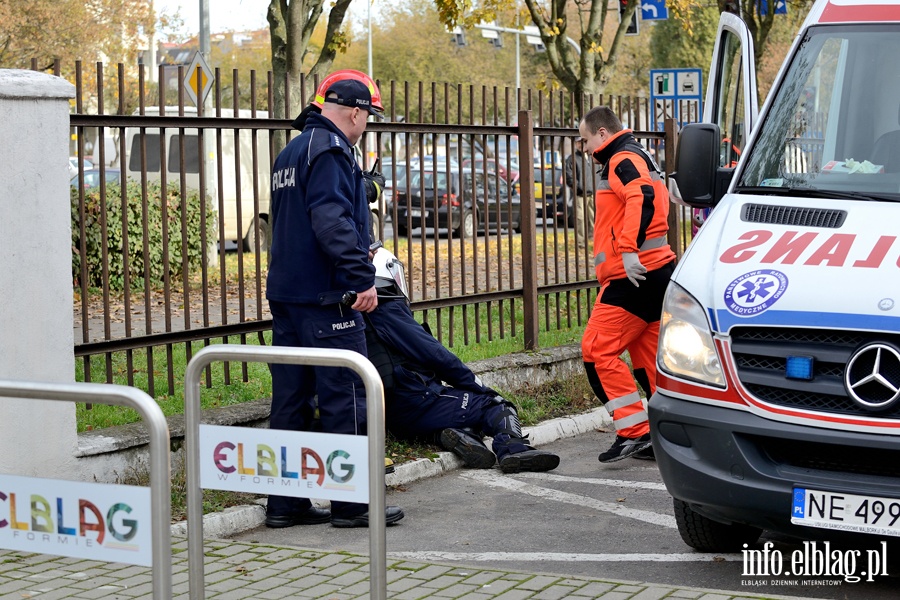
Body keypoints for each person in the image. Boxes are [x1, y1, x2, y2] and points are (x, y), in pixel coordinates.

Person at [265, 71, 404, 528]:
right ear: (355, 111)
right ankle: (353, 504)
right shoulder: (330, 150)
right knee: (347, 398)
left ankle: (284, 503)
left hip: (289, 296)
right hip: (328, 300)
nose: (368, 124)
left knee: (291, 402)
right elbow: (331, 222)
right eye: (369, 115)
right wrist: (361, 278)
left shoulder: (292, 150)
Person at [363, 249, 560, 474]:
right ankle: (513, 449)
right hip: (417, 401)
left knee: (458, 409)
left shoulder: (356, 313)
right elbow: (436, 355)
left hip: (388, 414)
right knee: (494, 405)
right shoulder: (388, 311)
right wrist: (476, 385)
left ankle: (455, 433)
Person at [578, 106, 677, 463]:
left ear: (602, 134)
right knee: (647, 358)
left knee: (596, 352)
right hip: (654, 273)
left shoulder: (622, 158)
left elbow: (643, 197)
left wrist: (630, 251)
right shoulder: (636, 154)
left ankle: (635, 431)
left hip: (632, 276)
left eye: (586, 139)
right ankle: (664, 433)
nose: (585, 148)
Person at [564, 138, 598, 250]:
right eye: (578, 142)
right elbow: (569, 176)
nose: (580, 145)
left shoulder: (592, 156)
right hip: (580, 194)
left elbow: (597, 173)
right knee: (580, 219)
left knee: (594, 218)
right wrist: (578, 188)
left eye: (582, 142)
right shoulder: (572, 159)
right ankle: (581, 243)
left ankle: (593, 240)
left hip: (593, 193)